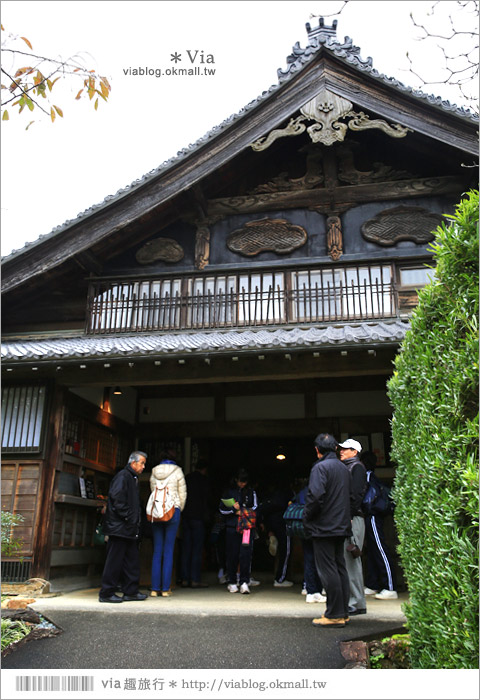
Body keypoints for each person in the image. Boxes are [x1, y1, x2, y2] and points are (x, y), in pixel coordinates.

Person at [303, 433, 352, 627]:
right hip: (341, 524)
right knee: (340, 567)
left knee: (327, 569)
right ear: (336, 448)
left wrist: (307, 517)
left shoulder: (320, 468)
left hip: (324, 526)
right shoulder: (343, 468)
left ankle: (334, 614)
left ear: (317, 450)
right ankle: (343, 611)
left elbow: (315, 497)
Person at [99, 451, 148, 603]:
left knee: (131, 561)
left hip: (128, 528)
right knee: (114, 561)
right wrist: (129, 517)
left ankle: (131, 591)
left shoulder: (132, 477)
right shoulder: (123, 476)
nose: (143, 467)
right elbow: (117, 499)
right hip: (120, 527)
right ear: (133, 463)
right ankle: (106, 593)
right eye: (142, 463)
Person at [360, 451, 398, 600]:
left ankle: (390, 587)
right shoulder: (371, 476)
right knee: (373, 549)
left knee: (380, 548)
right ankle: (373, 584)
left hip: (374, 515)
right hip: (372, 515)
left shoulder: (368, 476)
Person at [150, 450, 187, 597]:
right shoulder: (178, 471)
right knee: (169, 549)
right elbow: (182, 494)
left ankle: (154, 588)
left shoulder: (153, 472)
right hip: (173, 511)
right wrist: (178, 508)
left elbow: (153, 490)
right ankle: (165, 588)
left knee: (157, 550)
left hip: (157, 511)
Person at [338, 438, 368, 616]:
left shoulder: (356, 468)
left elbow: (356, 495)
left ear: (354, 452)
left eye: (346, 449)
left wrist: (347, 516)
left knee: (351, 557)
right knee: (347, 558)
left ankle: (356, 602)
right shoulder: (349, 467)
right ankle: (353, 601)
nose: (341, 451)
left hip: (353, 518)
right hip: (350, 517)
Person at [219, 468, 257, 595]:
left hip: (246, 527)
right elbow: (221, 510)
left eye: (244, 482)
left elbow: (256, 508)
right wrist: (233, 509)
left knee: (245, 554)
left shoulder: (251, 492)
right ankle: (232, 581)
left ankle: (244, 581)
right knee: (232, 554)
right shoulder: (229, 492)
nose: (242, 484)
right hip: (232, 526)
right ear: (236, 480)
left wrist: (243, 511)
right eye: (241, 481)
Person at [257, 480, 294, 587]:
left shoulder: (271, 495)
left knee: (282, 548)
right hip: (283, 522)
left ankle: (271, 535)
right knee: (286, 550)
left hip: (270, 521)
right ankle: (280, 579)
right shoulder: (287, 493)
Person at [293, 483, 326, 604]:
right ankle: (314, 590)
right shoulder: (319, 491)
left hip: (304, 528)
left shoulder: (303, 491)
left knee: (308, 558)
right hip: (316, 528)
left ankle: (308, 588)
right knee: (318, 560)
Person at [180, 459, 210, 588]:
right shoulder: (204, 480)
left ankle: (184, 578)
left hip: (186, 516)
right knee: (197, 549)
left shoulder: (187, 478)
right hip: (198, 517)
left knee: (186, 548)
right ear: (204, 469)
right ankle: (195, 579)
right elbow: (207, 499)